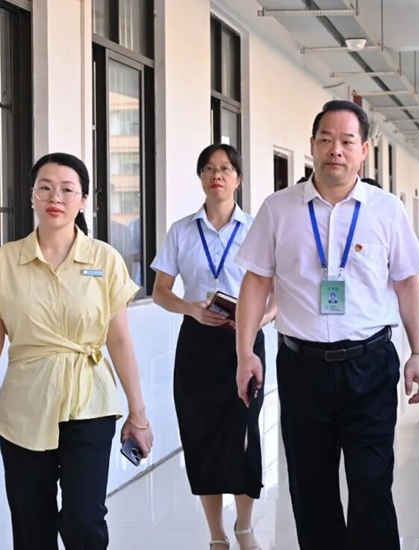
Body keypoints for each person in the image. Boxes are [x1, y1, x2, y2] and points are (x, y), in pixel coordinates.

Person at [233, 100, 419, 550]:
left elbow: (408, 284)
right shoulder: (279, 208)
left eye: (346, 141)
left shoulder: (386, 210)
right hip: (302, 368)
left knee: (372, 481)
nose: (335, 150)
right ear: (312, 145)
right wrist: (245, 353)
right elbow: (256, 282)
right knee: (310, 487)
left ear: (364, 150)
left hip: (370, 365)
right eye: (325, 139)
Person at [0, 153, 154, 550]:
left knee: (84, 522)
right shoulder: (6, 261)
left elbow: (119, 339)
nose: (55, 198)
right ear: (32, 195)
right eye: (45, 188)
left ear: (83, 201)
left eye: (67, 190)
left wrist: (138, 413)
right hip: (25, 406)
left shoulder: (105, 260)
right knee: (32, 527)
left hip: (90, 403)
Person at [151, 144, 276, 550]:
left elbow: (278, 292)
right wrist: (190, 308)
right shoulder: (181, 231)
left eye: (224, 168)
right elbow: (160, 290)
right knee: (200, 434)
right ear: (201, 177)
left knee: (243, 433)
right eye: (208, 168)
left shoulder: (257, 229)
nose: (216, 175)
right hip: (198, 345)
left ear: (238, 178)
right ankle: (216, 534)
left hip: (245, 344)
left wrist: (257, 320)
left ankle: (244, 526)